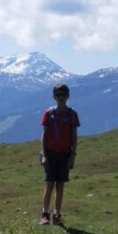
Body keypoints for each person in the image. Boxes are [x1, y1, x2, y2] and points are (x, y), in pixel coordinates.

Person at [39, 82, 80, 226]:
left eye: (63, 94)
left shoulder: (72, 114)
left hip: (64, 154)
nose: (61, 97)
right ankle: (45, 214)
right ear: (54, 96)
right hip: (50, 154)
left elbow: (74, 136)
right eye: (58, 94)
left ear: (67, 96)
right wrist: (44, 154)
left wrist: (72, 156)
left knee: (60, 186)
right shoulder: (49, 113)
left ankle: (57, 214)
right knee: (50, 184)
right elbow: (44, 135)